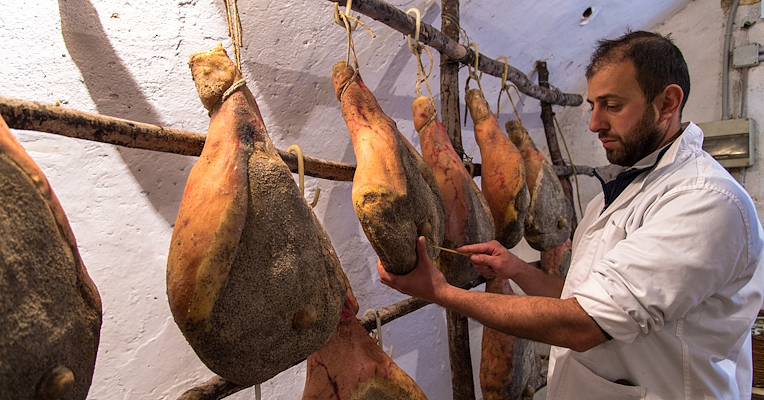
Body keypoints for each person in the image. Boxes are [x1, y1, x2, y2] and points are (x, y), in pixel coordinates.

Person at [377, 31, 764, 399]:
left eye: (612, 106)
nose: (595, 123)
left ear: (667, 103)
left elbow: (581, 324)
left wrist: (441, 292)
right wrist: (515, 268)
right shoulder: (614, 195)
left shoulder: (705, 202)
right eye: (594, 106)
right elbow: (581, 298)